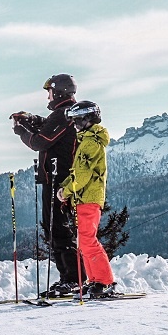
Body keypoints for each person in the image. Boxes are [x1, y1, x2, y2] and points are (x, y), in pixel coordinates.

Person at [10, 74, 81, 297]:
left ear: (58, 92)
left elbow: (40, 141)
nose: (47, 96)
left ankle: (73, 279)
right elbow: (48, 128)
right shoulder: (64, 114)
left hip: (59, 181)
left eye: (49, 91)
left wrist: (22, 130)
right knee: (53, 229)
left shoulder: (63, 114)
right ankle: (69, 278)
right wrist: (31, 119)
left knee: (58, 230)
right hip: (56, 179)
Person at [57, 100, 116, 298]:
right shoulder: (86, 141)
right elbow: (77, 172)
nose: (74, 125)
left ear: (88, 119)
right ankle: (95, 281)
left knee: (88, 241)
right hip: (83, 198)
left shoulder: (90, 143)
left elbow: (82, 175)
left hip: (89, 198)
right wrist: (64, 186)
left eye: (77, 121)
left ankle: (105, 281)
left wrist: (66, 191)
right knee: (84, 242)